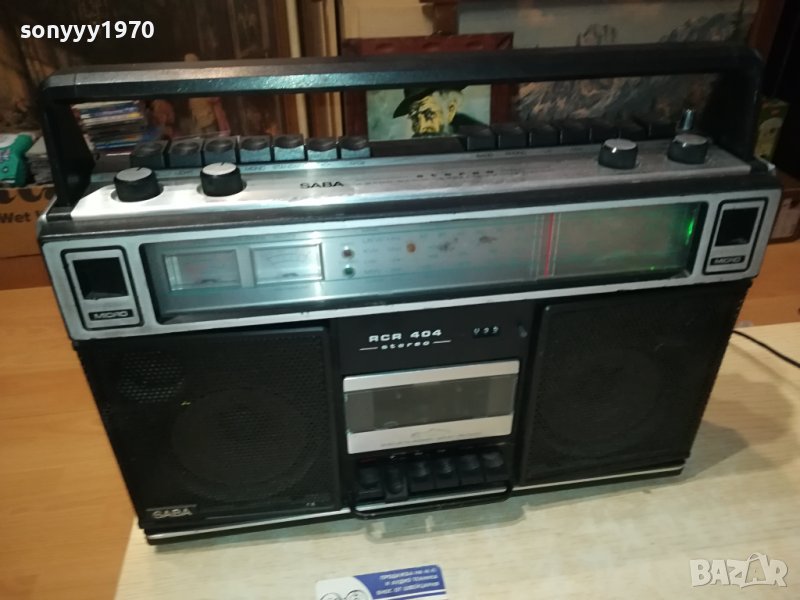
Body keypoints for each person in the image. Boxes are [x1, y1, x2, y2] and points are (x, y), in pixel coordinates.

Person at [393, 87, 484, 137]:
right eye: (415, 117)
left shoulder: (477, 136)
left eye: (429, 114)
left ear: (450, 110)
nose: (422, 127)